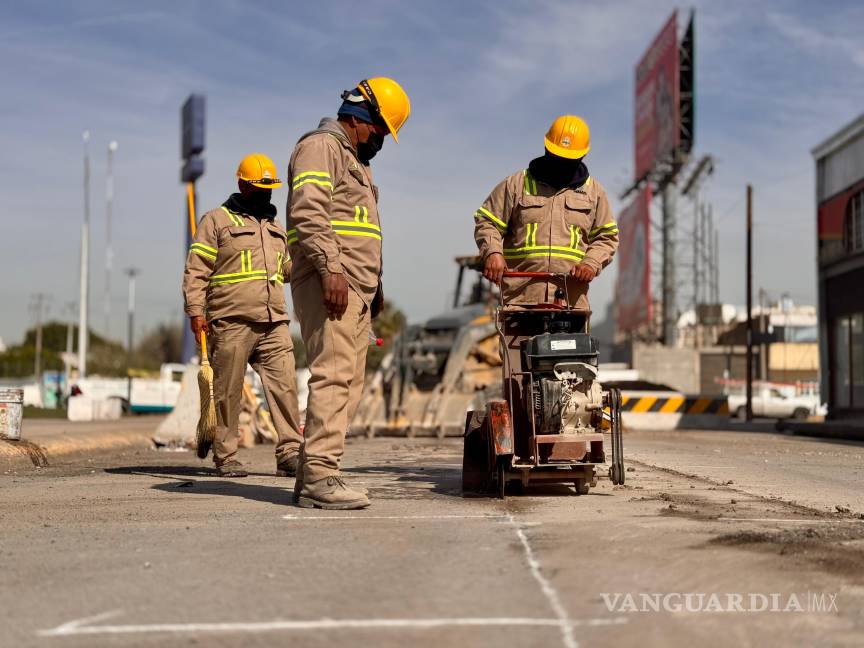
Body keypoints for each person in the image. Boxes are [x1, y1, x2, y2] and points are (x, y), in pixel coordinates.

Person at [286, 77, 410, 509]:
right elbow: (309, 212)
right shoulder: (322, 147)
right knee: (334, 376)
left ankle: (314, 473)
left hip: (355, 285)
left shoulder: (356, 162)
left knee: (350, 383)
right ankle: (322, 476)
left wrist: (376, 286)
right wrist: (331, 269)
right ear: (362, 119)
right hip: (330, 281)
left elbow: (362, 231)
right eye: (380, 132)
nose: (380, 142)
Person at [183, 153, 303, 478]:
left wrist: (310, 258)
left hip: (274, 321)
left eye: (269, 188)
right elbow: (196, 271)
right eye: (259, 187)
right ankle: (226, 456)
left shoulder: (276, 229)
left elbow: (288, 270)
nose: (266, 193)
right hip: (231, 320)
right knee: (227, 392)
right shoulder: (216, 222)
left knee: (285, 387)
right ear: (242, 184)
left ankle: (291, 452)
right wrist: (196, 311)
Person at [473, 115, 619, 308]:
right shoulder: (516, 185)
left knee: (570, 341)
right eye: (556, 157)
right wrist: (492, 253)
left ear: (582, 156)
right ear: (546, 148)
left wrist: (591, 263)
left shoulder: (594, 193)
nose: (560, 164)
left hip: (570, 303)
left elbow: (606, 236)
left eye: (567, 160)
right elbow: (487, 221)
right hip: (521, 301)